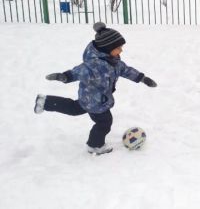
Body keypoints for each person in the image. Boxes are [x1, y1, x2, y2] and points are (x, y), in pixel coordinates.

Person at [34, 22, 157, 155]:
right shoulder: (93, 65)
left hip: (91, 98)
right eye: (118, 47)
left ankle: (45, 101)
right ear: (107, 48)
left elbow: (126, 70)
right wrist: (64, 76)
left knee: (74, 108)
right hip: (96, 103)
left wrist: (142, 78)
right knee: (104, 122)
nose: (121, 50)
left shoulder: (114, 62)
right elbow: (78, 72)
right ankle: (95, 145)